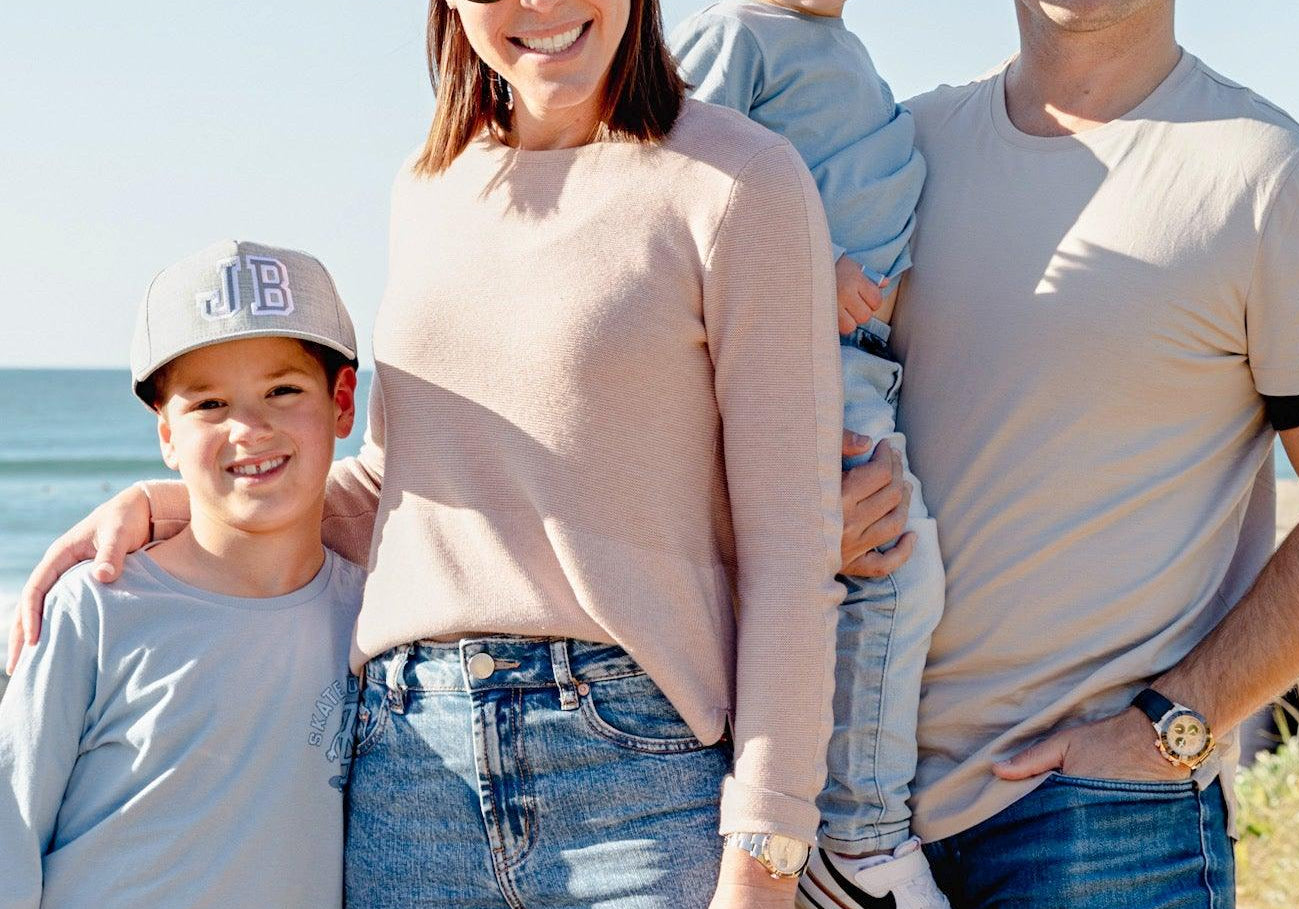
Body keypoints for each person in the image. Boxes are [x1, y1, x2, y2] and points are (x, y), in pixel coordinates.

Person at [7, 2, 847, 906]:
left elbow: (791, 547)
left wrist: (765, 857)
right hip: (406, 771)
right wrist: (190, 508)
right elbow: (399, 482)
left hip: (633, 775)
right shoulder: (431, 183)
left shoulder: (739, 179)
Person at [834, 1, 1299, 905]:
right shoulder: (900, 147)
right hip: (851, 816)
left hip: (1103, 824)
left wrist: (1171, 726)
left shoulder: (1274, 177)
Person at [670, 4, 948, 908]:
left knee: (886, 583)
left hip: (858, 368)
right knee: (894, 578)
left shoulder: (844, 53)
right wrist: (805, 262)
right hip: (793, 359)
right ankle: (858, 841)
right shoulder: (735, 32)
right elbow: (670, 170)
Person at [0, 241, 365, 908]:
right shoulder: (99, 607)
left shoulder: (375, 619)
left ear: (342, 401)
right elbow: (10, 830)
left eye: (283, 390)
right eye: (208, 404)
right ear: (164, 432)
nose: (249, 427)